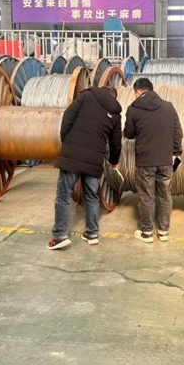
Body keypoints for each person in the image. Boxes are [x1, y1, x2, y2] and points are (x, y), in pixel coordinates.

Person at [48, 86, 122, 249]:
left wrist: (66, 141)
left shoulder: (86, 96)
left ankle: (59, 236)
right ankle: (92, 233)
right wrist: (113, 161)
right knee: (91, 196)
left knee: (64, 195)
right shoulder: (115, 114)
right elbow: (116, 142)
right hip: (94, 160)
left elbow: (68, 116)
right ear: (114, 98)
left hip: (72, 154)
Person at [124, 78, 183, 243]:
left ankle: (147, 232)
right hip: (166, 160)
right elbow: (178, 132)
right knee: (165, 196)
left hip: (145, 161)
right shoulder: (168, 107)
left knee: (147, 197)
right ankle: (163, 231)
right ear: (151, 89)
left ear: (137, 92)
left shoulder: (133, 109)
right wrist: (176, 152)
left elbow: (129, 134)